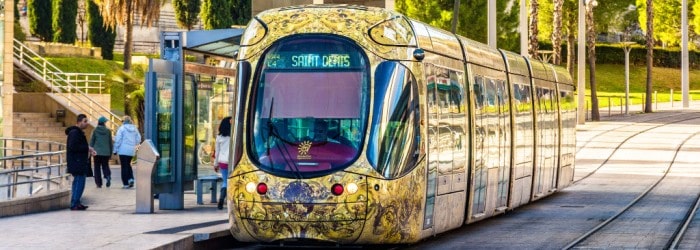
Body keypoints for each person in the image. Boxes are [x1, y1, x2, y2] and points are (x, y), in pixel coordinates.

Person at [66, 114, 96, 210]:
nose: (87, 123)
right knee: (79, 182)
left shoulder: (78, 133)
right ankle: (75, 203)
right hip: (77, 161)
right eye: (85, 121)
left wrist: (88, 149)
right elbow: (73, 147)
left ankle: (76, 202)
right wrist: (86, 148)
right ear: (79, 122)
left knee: (79, 182)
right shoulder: (75, 133)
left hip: (79, 161)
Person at [113, 116, 141, 189]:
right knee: (128, 165)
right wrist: (134, 144)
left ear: (123, 121)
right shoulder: (135, 128)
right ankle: (131, 179)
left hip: (123, 150)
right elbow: (139, 139)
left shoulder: (121, 129)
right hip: (131, 150)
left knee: (124, 166)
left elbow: (118, 140)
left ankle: (125, 183)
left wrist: (115, 150)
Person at [90, 116, 113, 188]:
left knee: (97, 167)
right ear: (104, 123)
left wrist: (90, 150)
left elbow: (92, 141)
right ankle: (107, 176)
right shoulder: (108, 131)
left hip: (96, 152)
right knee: (105, 165)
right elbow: (110, 143)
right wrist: (110, 153)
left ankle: (98, 183)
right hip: (106, 152)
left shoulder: (95, 130)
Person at [215, 117, 232, 210]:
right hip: (232, 162)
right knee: (231, 181)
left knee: (225, 181)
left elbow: (217, 152)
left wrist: (215, 164)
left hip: (222, 162)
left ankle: (221, 198)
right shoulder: (233, 136)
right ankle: (228, 199)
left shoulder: (219, 137)